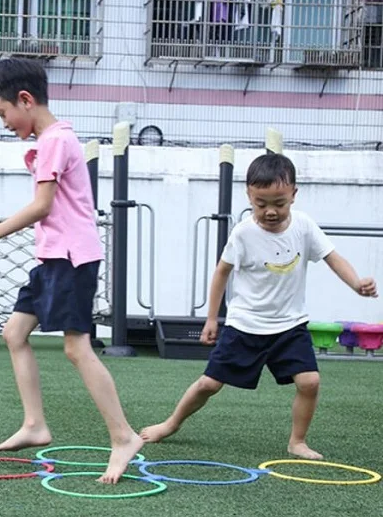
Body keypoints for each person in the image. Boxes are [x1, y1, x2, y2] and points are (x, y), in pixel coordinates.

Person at [0, 58, 143, 483]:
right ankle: (35, 424)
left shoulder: (55, 141)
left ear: (26, 100)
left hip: (71, 259)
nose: (3, 123)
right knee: (14, 333)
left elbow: (42, 206)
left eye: (4, 113)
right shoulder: (50, 140)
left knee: (77, 348)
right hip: (52, 258)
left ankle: (123, 436)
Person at [141, 152, 377, 460]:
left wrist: (357, 283)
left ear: (294, 194)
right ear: (249, 196)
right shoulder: (243, 233)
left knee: (310, 381)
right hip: (245, 326)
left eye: (279, 203)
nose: (269, 212)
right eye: (260, 204)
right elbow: (221, 272)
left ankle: (297, 442)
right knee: (209, 384)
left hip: (290, 326)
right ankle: (170, 424)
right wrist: (212, 318)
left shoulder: (304, 226)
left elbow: (333, 258)